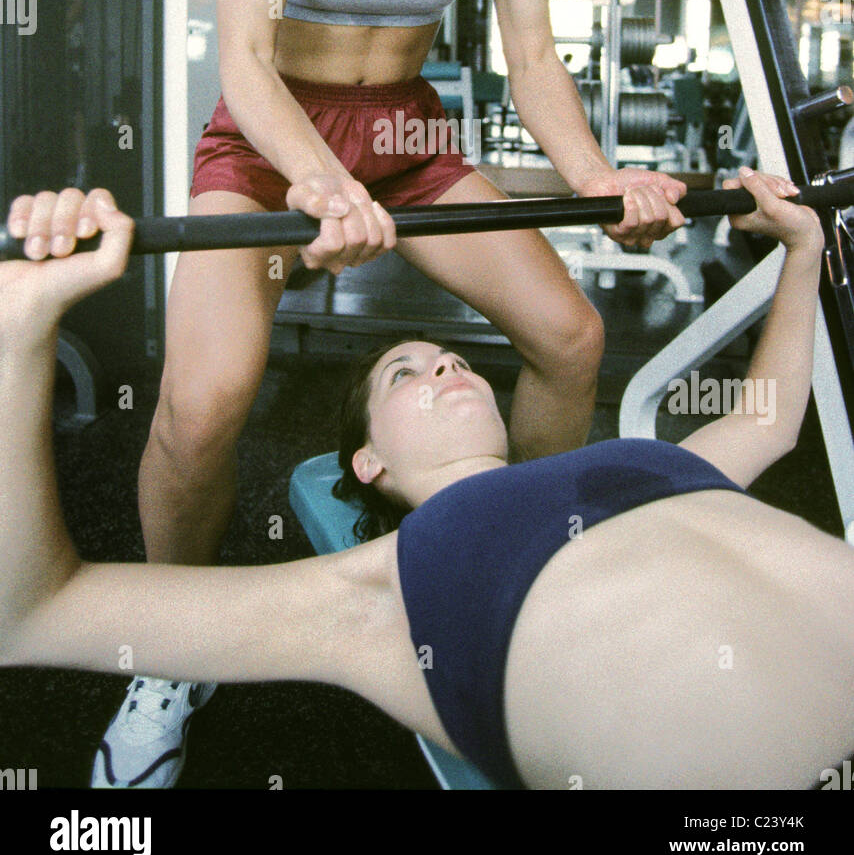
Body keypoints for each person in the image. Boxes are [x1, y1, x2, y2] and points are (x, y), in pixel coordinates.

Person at [87, 0, 689, 785]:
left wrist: (607, 174)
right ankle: (166, 650)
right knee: (202, 402)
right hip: (266, 142)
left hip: (405, 140)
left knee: (571, 337)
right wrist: (317, 182)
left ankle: (517, 574)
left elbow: (532, 63)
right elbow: (244, 62)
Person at [2, 169, 853, 790]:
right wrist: (22, 331)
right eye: (404, 374)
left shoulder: (628, 461)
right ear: (368, 463)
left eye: (447, 357)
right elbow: (32, 611)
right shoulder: (378, 592)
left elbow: (769, 418)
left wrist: (803, 245)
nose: (444, 365)